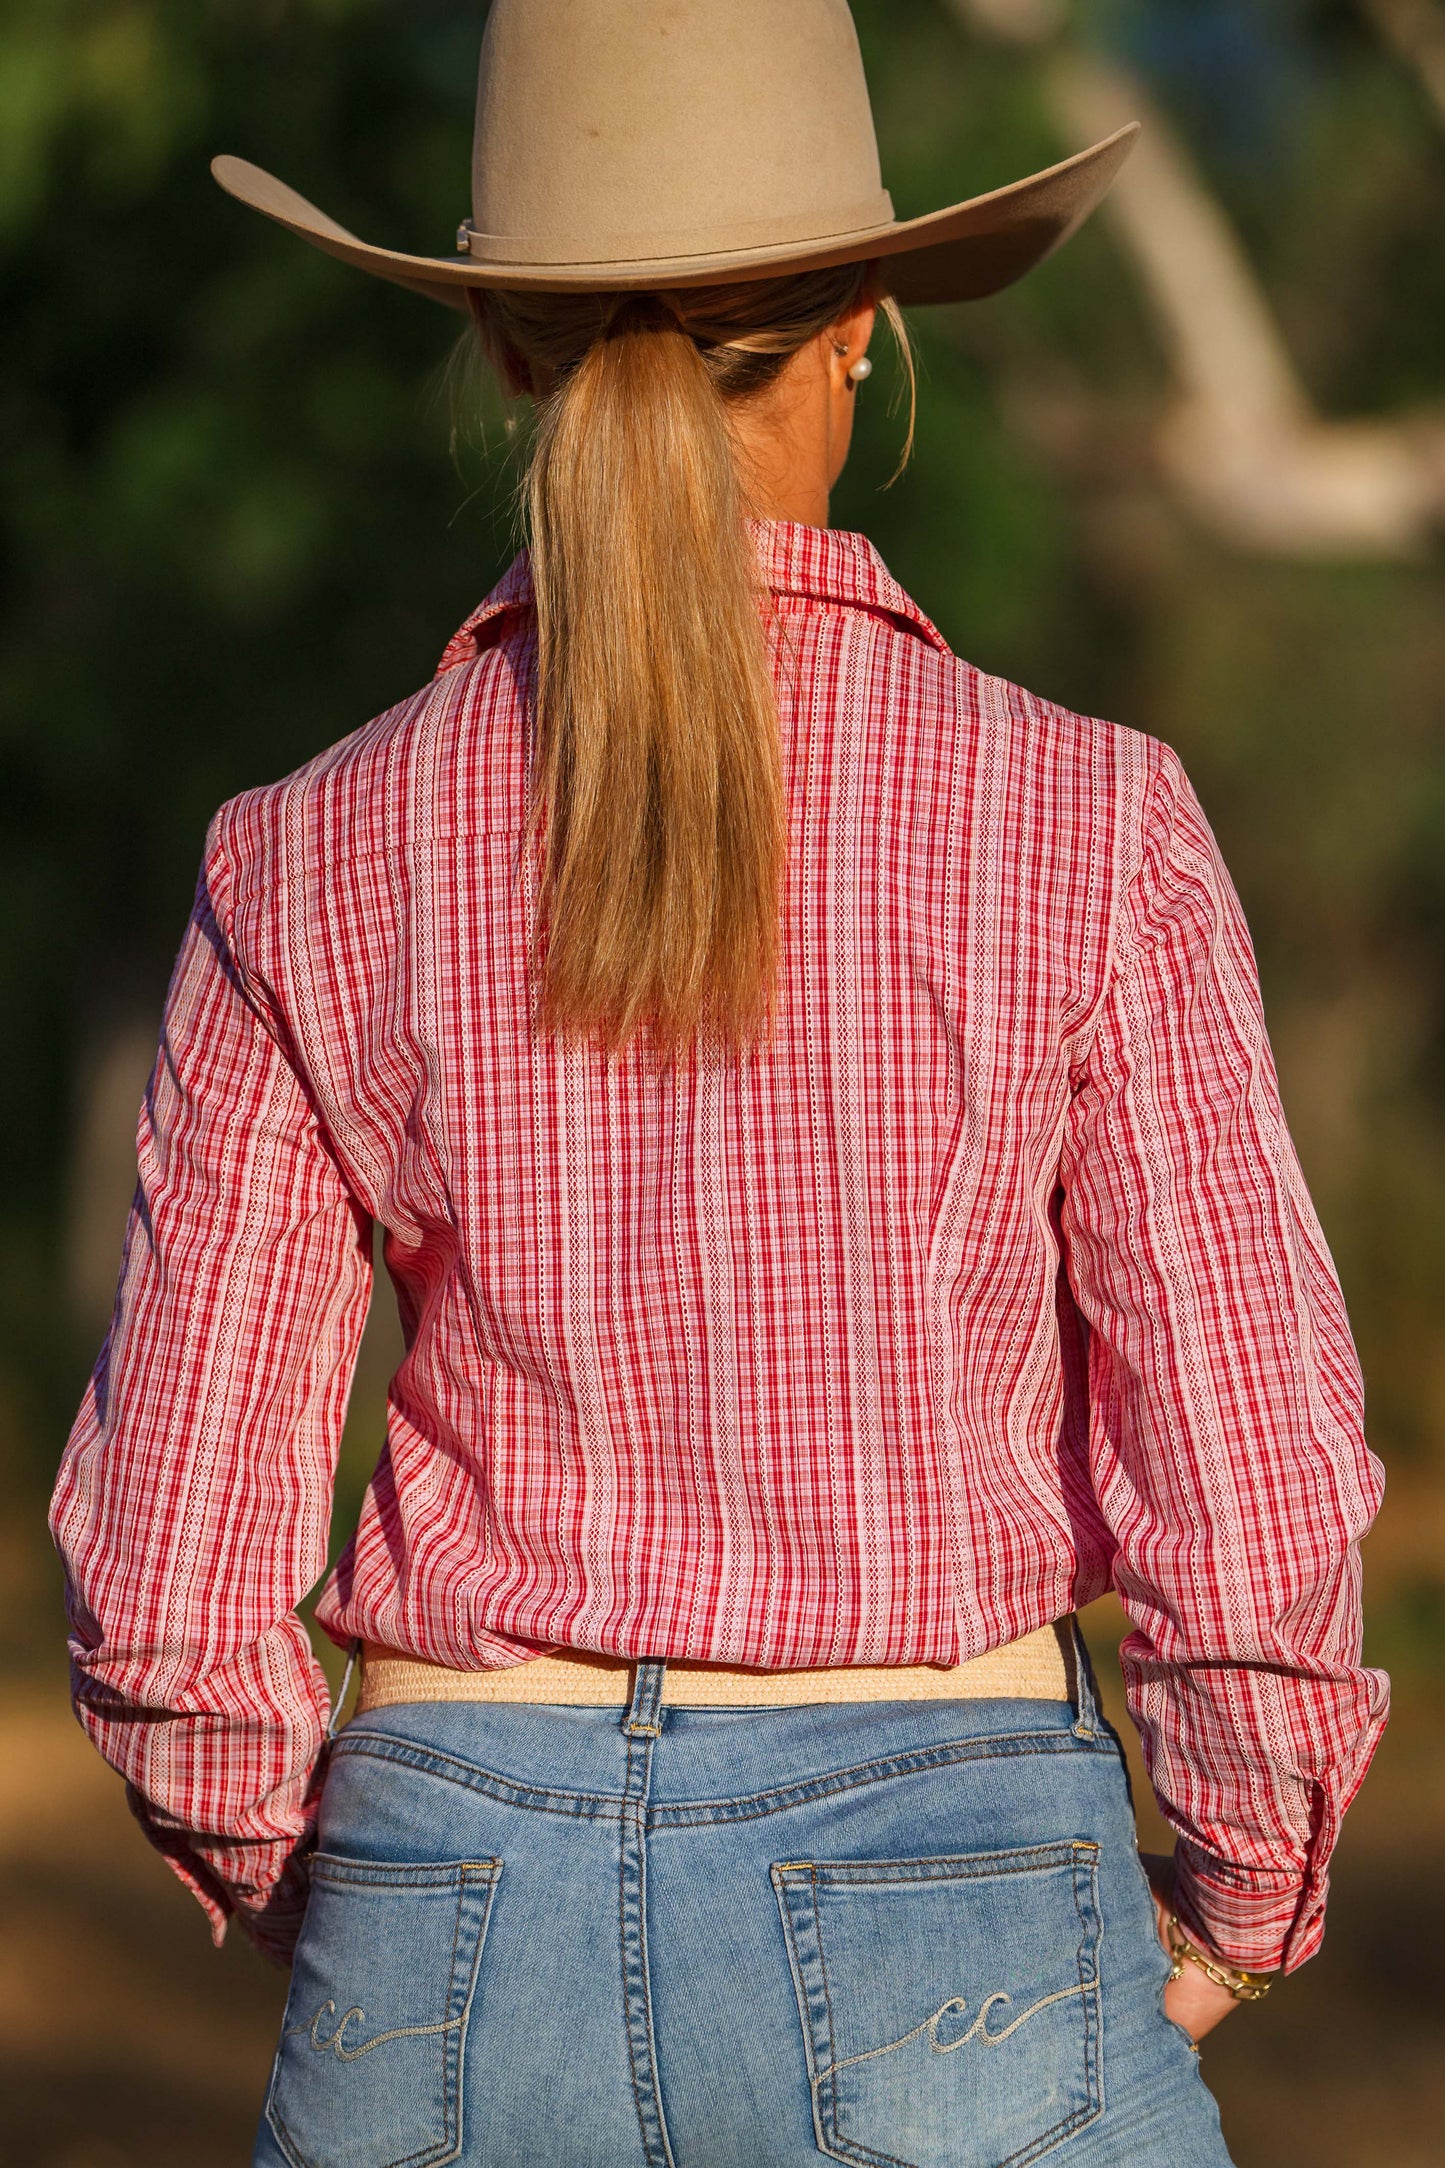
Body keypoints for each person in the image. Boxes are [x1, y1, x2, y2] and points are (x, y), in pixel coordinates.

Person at [50, 5, 1388, 2164]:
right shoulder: (1086, 823)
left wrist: (359, 1898)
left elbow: (174, 1576)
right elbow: (1244, 1472)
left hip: (452, 1891)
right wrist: (1248, 1879)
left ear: (504, 354)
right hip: (960, 1891)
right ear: (864, 325)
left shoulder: (300, 853)